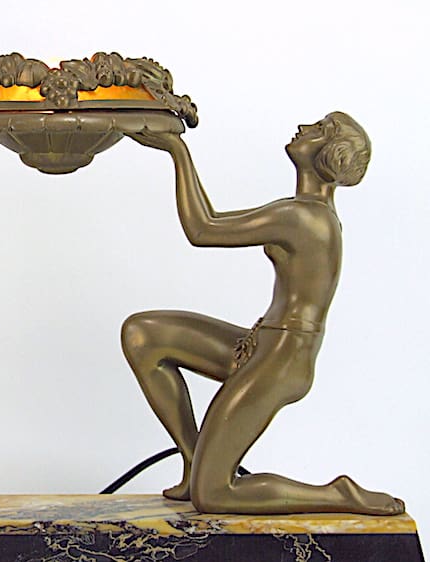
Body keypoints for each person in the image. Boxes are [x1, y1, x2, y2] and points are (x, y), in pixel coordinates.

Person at [121, 112, 405, 515]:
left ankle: (337, 494)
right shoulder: (303, 210)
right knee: (144, 335)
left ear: (332, 154)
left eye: (320, 129)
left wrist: (177, 151)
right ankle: (194, 459)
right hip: (260, 342)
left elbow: (203, 229)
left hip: (282, 359)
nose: (305, 128)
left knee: (214, 494)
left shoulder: (304, 217)